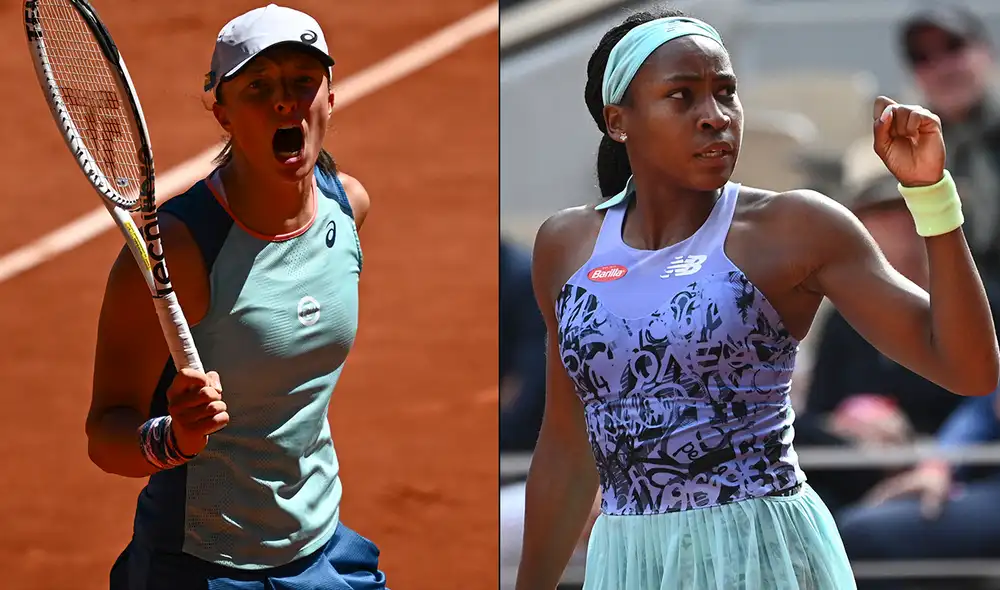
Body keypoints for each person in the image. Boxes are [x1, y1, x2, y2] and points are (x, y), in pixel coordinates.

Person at [515, 8, 999, 590]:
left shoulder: (795, 226)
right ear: (619, 121)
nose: (715, 117)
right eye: (682, 96)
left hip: (767, 558)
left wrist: (932, 199)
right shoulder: (565, 245)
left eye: (726, 93)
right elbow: (568, 449)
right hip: (629, 562)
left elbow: (969, 369)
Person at [85, 5, 386, 589]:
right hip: (202, 566)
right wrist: (171, 438)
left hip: (322, 550)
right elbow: (105, 433)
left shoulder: (349, 209)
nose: (284, 101)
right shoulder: (176, 252)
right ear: (222, 113)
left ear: (330, 96)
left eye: (303, 81)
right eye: (258, 87)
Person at [898, 5, 1000, 277]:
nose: (942, 68)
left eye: (954, 47)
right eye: (922, 57)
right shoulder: (902, 147)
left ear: (986, 52)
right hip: (943, 293)